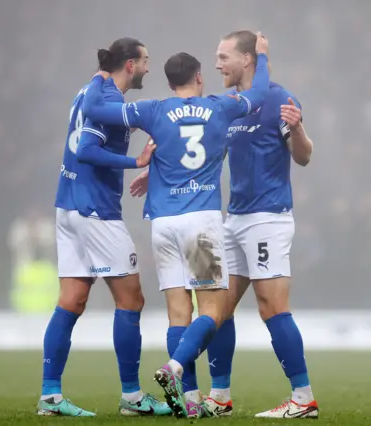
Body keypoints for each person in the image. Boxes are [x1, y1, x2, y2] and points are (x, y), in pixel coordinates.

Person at [81, 32, 270, 418]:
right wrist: (261, 57)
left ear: (168, 83)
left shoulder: (151, 110)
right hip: (199, 222)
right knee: (215, 309)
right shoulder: (220, 107)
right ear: (199, 77)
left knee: (177, 311)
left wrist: (100, 76)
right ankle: (175, 367)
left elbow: (97, 111)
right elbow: (260, 95)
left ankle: (190, 399)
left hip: (162, 223)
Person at [39, 37, 170, 417]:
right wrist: (138, 162)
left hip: (68, 206)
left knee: (72, 300)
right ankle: (132, 397)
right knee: (131, 299)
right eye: (145, 61)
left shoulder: (89, 90)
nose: (148, 67)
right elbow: (86, 151)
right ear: (129, 64)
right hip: (95, 209)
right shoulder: (109, 101)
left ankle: (50, 396)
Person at [201, 30, 319, 419]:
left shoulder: (279, 99)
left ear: (247, 59)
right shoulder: (232, 105)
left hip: (268, 218)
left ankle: (303, 398)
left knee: (271, 307)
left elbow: (303, 157)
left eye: (223, 57)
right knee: (218, 309)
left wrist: (299, 129)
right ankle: (219, 396)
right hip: (232, 220)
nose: (217, 64)